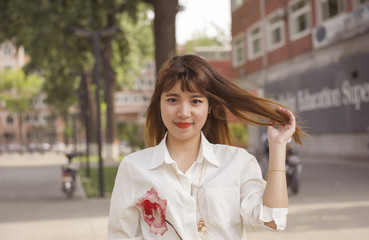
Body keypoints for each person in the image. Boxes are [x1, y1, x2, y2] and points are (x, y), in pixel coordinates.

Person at [108, 55, 306, 239]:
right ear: (159, 103)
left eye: (195, 101)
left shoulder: (237, 162)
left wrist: (278, 146)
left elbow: (272, 219)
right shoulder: (134, 168)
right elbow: (121, 236)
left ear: (209, 106)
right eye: (172, 100)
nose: (184, 112)